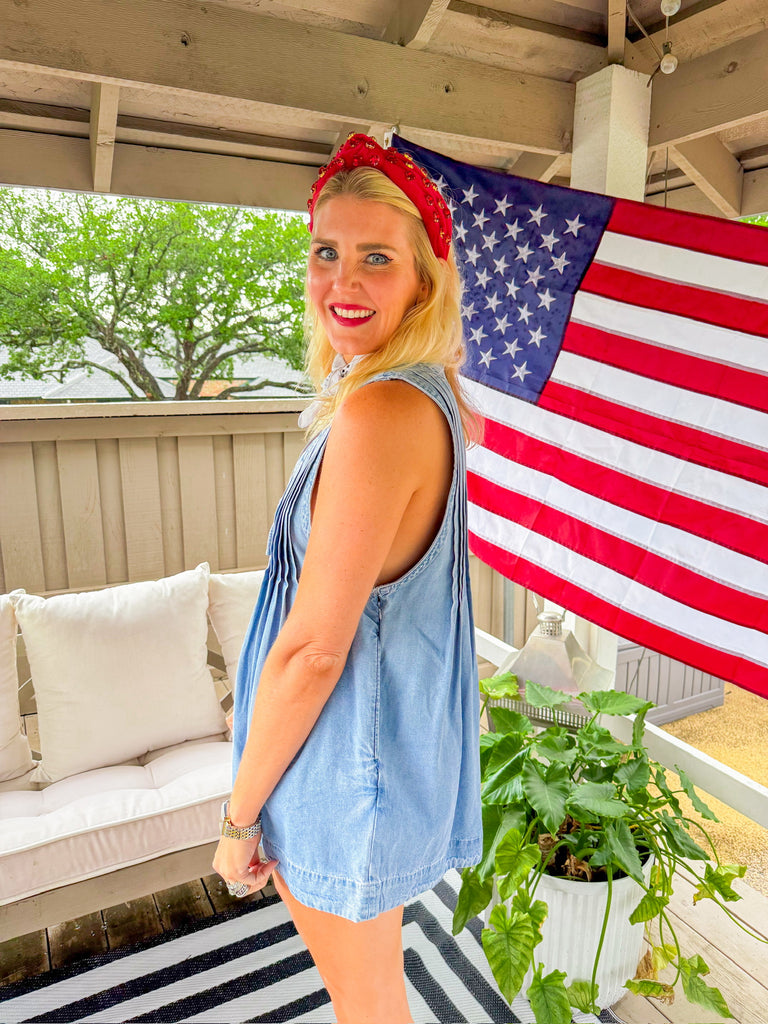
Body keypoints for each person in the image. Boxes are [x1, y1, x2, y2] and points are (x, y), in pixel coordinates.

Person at [213, 133, 482, 1024]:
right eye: (327, 252)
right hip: (354, 753)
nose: (343, 280)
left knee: (367, 1008)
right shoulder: (419, 394)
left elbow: (316, 651)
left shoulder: (382, 411)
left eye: (377, 257)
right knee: (372, 998)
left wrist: (238, 816)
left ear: (423, 282)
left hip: (338, 761)